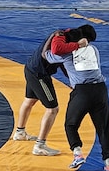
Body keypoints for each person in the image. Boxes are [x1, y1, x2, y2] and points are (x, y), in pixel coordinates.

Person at [42, 25, 109, 171]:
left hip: (82, 92)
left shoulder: (66, 54)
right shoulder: (94, 50)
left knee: (71, 124)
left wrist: (53, 37)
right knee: (104, 128)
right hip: (100, 90)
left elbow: (45, 54)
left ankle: (77, 153)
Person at [12, 28, 68, 156]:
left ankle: (20, 133)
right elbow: (60, 61)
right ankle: (40, 146)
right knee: (53, 109)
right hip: (39, 75)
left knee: (29, 101)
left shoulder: (59, 37)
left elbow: (62, 63)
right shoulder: (62, 44)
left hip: (31, 69)